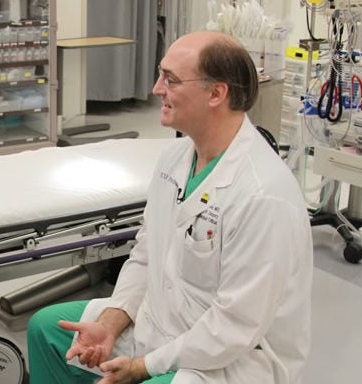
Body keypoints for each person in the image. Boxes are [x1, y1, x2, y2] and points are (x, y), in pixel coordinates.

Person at [27, 31, 313, 384]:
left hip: (230, 358)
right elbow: (146, 254)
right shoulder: (174, 160)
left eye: (170, 79)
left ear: (216, 93)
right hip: (162, 322)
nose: (155, 88)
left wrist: (143, 366)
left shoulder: (263, 195)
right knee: (45, 331)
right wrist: (112, 321)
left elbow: (236, 326)